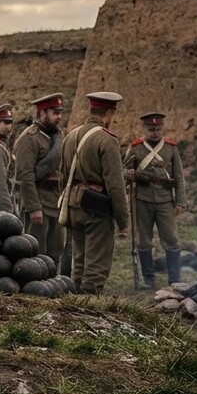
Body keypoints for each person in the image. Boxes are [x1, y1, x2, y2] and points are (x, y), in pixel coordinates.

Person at [60, 91, 129, 295]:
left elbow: (63, 177)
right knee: (96, 264)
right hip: (95, 209)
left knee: (79, 262)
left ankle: (74, 301)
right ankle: (89, 303)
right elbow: (115, 185)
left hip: (73, 205)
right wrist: (122, 221)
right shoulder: (106, 140)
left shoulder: (70, 136)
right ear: (108, 113)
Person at [124, 112, 188, 287]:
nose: (155, 132)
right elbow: (123, 171)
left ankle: (174, 279)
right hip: (142, 201)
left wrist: (181, 201)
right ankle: (148, 279)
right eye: (151, 129)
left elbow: (179, 176)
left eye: (158, 129)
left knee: (172, 240)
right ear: (144, 129)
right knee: (143, 241)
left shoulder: (171, 148)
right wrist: (128, 175)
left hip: (165, 201)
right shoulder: (135, 148)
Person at [14, 94, 69, 272]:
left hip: (55, 202)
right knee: (36, 251)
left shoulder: (56, 137)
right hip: (39, 203)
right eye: (54, 112)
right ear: (42, 113)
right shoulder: (29, 138)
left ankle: (52, 285)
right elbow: (25, 175)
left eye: (60, 112)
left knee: (55, 251)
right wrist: (33, 207)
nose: (59, 117)